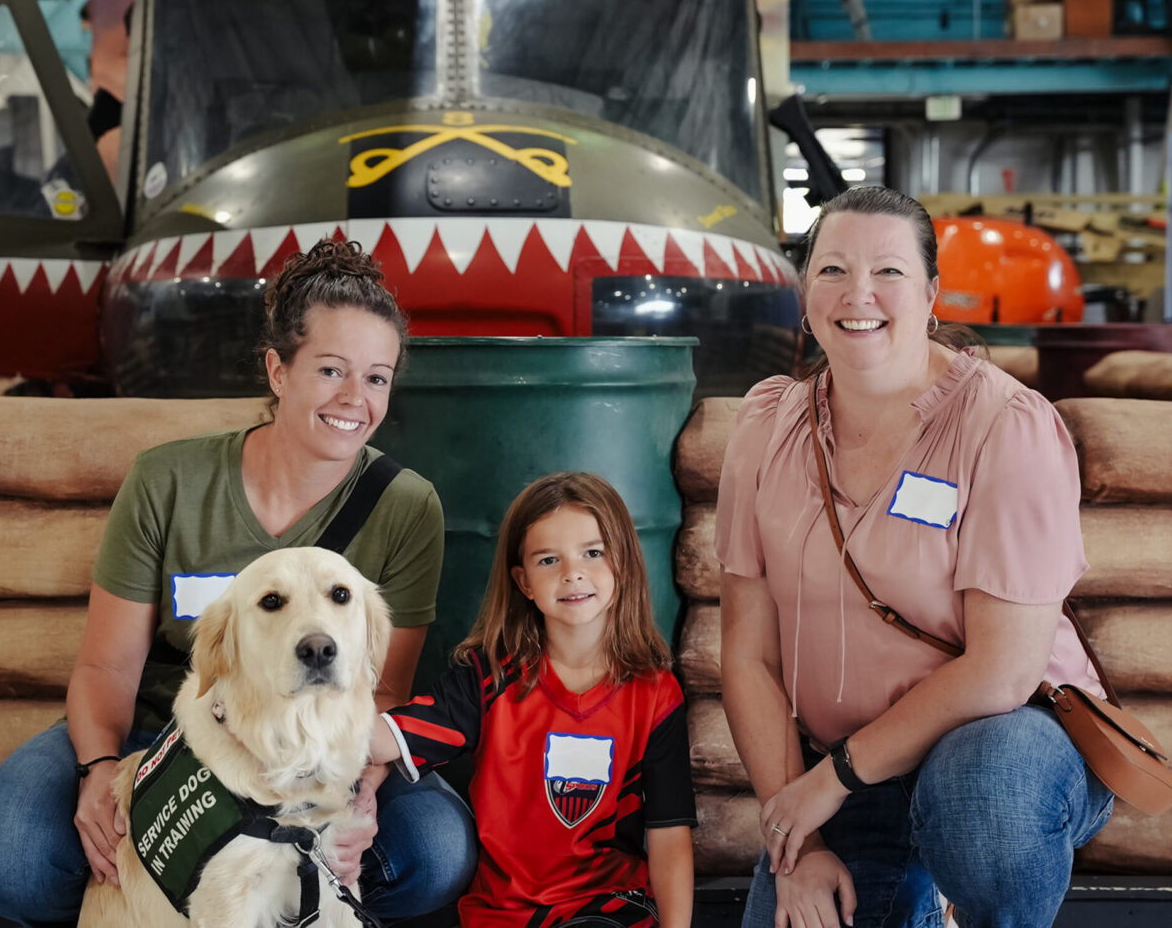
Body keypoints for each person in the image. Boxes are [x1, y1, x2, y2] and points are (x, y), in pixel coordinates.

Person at [0, 240, 476, 927]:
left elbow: (382, 689)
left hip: (311, 743)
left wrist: (360, 793)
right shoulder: (166, 480)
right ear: (277, 369)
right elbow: (107, 664)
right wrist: (99, 772)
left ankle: (290, 890)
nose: (356, 399)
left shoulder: (408, 505)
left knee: (436, 849)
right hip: (157, 728)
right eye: (330, 369)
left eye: (377, 378)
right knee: (10, 857)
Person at [716, 186, 1115, 928]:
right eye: (831, 269)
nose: (857, 293)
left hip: (1005, 750)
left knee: (983, 807)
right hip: (851, 770)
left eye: (888, 272)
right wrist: (796, 841)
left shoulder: (1005, 425)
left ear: (931, 293)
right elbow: (747, 653)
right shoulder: (766, 426)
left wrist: (832, 778)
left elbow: (1003, 668)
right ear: (805, 292)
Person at [369, 472, 696, 928]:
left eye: (593, 553)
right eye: (548, 560)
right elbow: (382, 739)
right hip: (503, 915)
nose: (572, 572)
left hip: (607, 909)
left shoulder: (655, 693)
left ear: (623, 562)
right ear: (523, 582)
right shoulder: (488, 677)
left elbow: (668, 833)